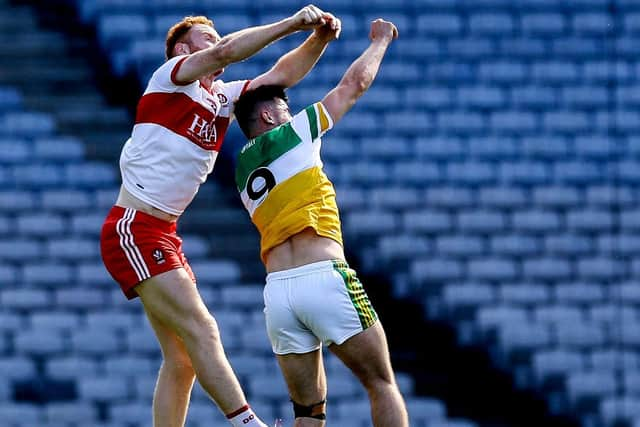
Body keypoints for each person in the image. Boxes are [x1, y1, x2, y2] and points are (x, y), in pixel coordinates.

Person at [99, 6, 342, 427]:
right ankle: (250, 425)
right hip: (135, 227)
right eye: (206, 38)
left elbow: (281, 75)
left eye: (215, 36)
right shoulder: (172, 78)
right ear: (181, 49)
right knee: (204, 331)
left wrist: (317, 38)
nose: (216, 42)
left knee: (182, 359)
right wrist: (290, 22)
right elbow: (225, 52)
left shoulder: (222, 98)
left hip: (161, 231)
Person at [232, 19, 408, 427]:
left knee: (308, 413)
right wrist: (381, 41)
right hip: (323, 276)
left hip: (278, 295)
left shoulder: (241, 169)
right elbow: (353, 86)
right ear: (268, 115)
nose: (290, 111)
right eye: (284, 107)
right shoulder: (291, 133)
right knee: (381, 383)